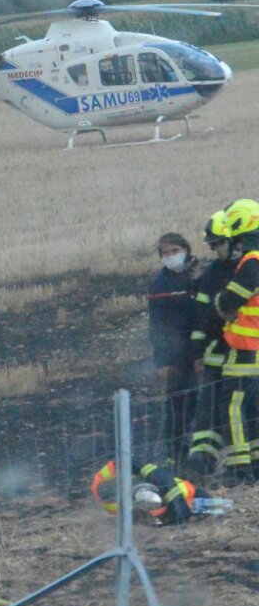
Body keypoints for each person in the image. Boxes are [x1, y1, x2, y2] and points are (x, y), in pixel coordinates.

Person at [213, 199, 259, 485]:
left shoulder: (252, 262)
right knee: (254, 411)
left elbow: (228, 301)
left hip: (245, 349)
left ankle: (239, 469)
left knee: (232, 408)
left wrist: (219, 303)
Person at [188, 211, 237, 476]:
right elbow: (201, 317)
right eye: (213, 244)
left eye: (219, 243)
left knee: (242, 415)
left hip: (247, 357)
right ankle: (199, 465)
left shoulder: (251, 269)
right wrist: (197, 353)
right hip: (216, 356)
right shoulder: (212, 274)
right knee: (208, 414)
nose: (216, 249)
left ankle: (241, 466)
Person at [147, 232, 198, 465]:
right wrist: (162, 362)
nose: (170, 256)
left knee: (206, 404)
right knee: (177, 407)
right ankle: (176, 457)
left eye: (174, 251)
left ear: (186, 250)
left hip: (204, 351)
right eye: (165, 253)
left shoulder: (200, 275)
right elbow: (156, 325)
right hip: (176, 356)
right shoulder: (160, 285)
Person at [91, 460, 205, 525]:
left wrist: (176, 498)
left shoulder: (123, 471)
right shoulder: (139, 501)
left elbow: (153, 472)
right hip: (178, 502)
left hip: (188, 496)